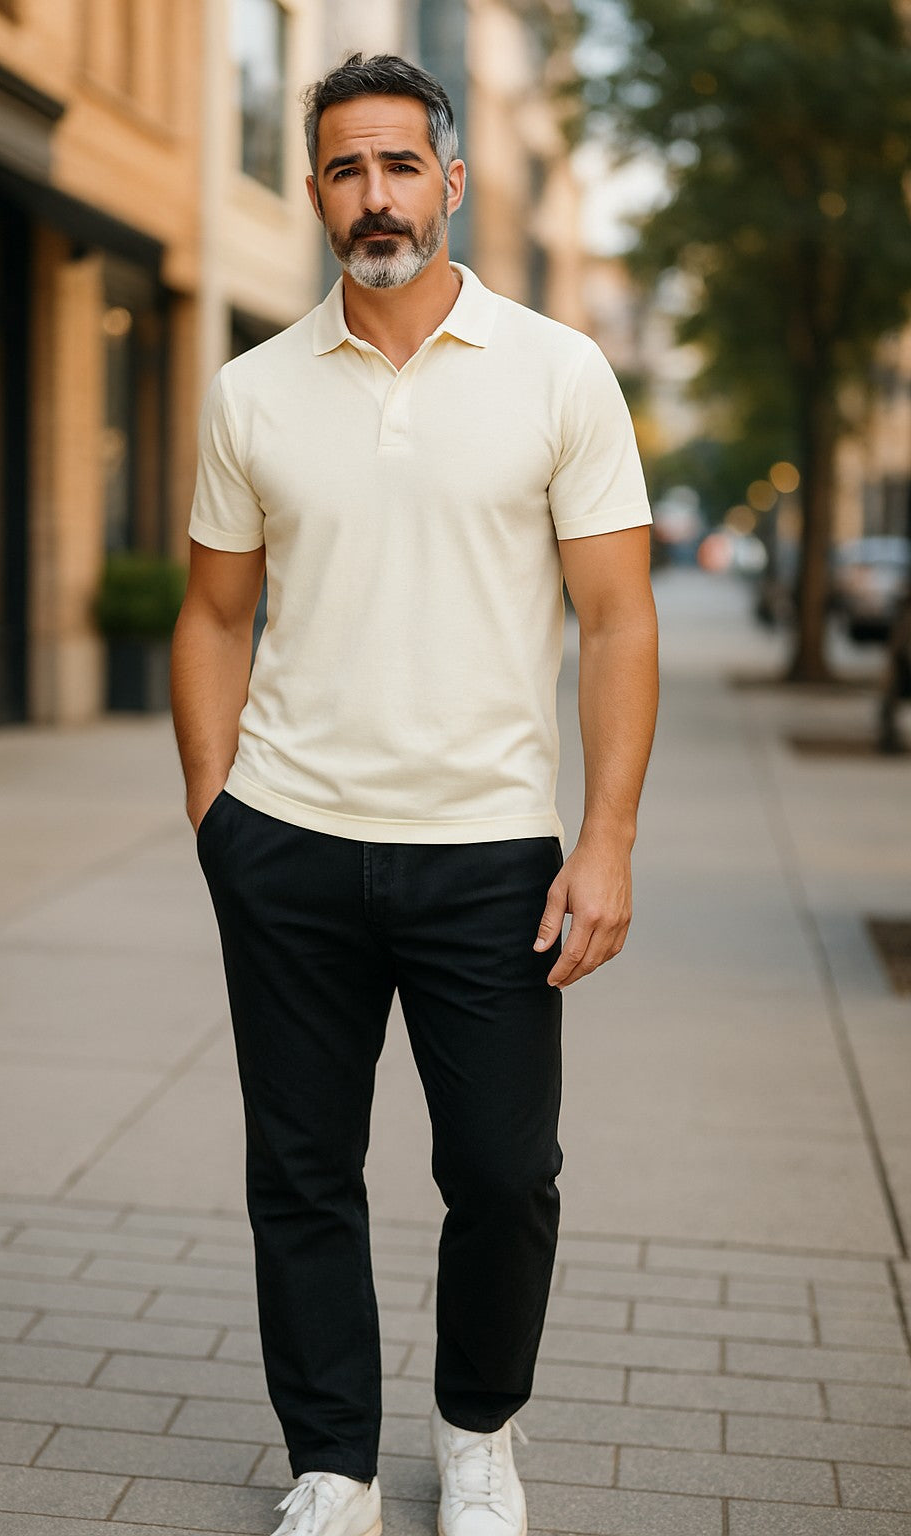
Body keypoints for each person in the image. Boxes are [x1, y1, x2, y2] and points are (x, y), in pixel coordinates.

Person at [171, 52, 659, 1536]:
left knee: (504, 1175)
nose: (373, 195)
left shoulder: (559, 371)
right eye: (343, 168)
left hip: (491, 855)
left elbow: (620, 619)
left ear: (450, 180)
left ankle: (477, 1433)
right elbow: (209, 619)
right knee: (303, 1173)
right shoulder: (252, 392)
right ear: (317, 190)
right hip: (293, 846)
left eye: (399, 165)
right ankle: (332, 1461)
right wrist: (218, 820)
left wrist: (609, 845)